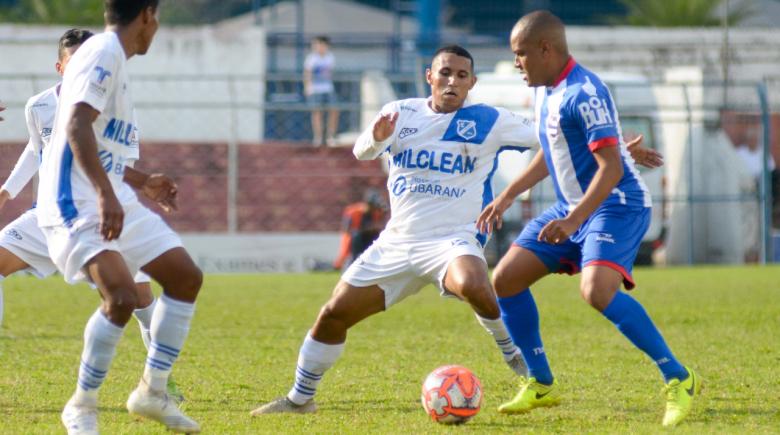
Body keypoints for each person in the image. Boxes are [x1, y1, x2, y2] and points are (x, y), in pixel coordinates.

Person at [250, 44, 660, 416]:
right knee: (332, 315)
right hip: (396, 243)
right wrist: (376, 138)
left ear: (472, 83)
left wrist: (618, 147)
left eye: (462, 75)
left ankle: (511, 353)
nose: (452, 81)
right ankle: (300, 399)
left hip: (452, 240)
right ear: (430, 76)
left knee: (477, 284)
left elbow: (557, 138)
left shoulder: (491, 121)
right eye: (444, 73)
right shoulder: (401, 112)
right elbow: (362, 151)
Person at [476, 11, 699, 427]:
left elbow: (611, 168)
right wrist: (507, 195)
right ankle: (541, 383)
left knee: (596, 291)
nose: (517, 63)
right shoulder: (545, 89)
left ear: (546, 49)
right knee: (504, 280)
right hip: (573, 208)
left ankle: (678, 377)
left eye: (521, 53)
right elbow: (552, 149)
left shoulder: (585, 91)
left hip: (616, 204)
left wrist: (574, 218)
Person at [36, 2, 202, 433]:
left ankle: (152, 391)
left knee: (184, 277)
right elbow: (74, 126)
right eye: (158, 18)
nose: (157, 28)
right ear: (147, 15)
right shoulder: (104, 52)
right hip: (74, 200)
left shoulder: (113, 58)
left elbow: (100, 145)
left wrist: (140, 181)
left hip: (111, 193)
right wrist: (105, 193)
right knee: (122, 299)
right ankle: (82, 405)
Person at [0, 28, 185, 403]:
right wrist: (6, 191)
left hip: (98, 216)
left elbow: (122, 164)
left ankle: (159, 382)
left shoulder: (116, 106)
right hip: (48, 215)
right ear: (60, 66)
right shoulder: (38, 106)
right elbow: (37, 152)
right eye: (75, 61)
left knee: (137, 298)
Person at [332, 189, 386, 270]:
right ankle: (351, 263)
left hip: (366, 237)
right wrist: (364, 230)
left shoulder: (375, 213)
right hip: (354, 238)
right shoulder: (354, 212)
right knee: (355, 236)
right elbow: (347, 230)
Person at [304, 35, 339, 146]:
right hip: (315, 89)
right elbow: (307, 73)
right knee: (317, 113)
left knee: (334, 110)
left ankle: (330, 136)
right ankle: (318, 138)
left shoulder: (330, 57)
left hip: (328, 88)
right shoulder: (311, 58)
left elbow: (330, 73)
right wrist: (307, 87)